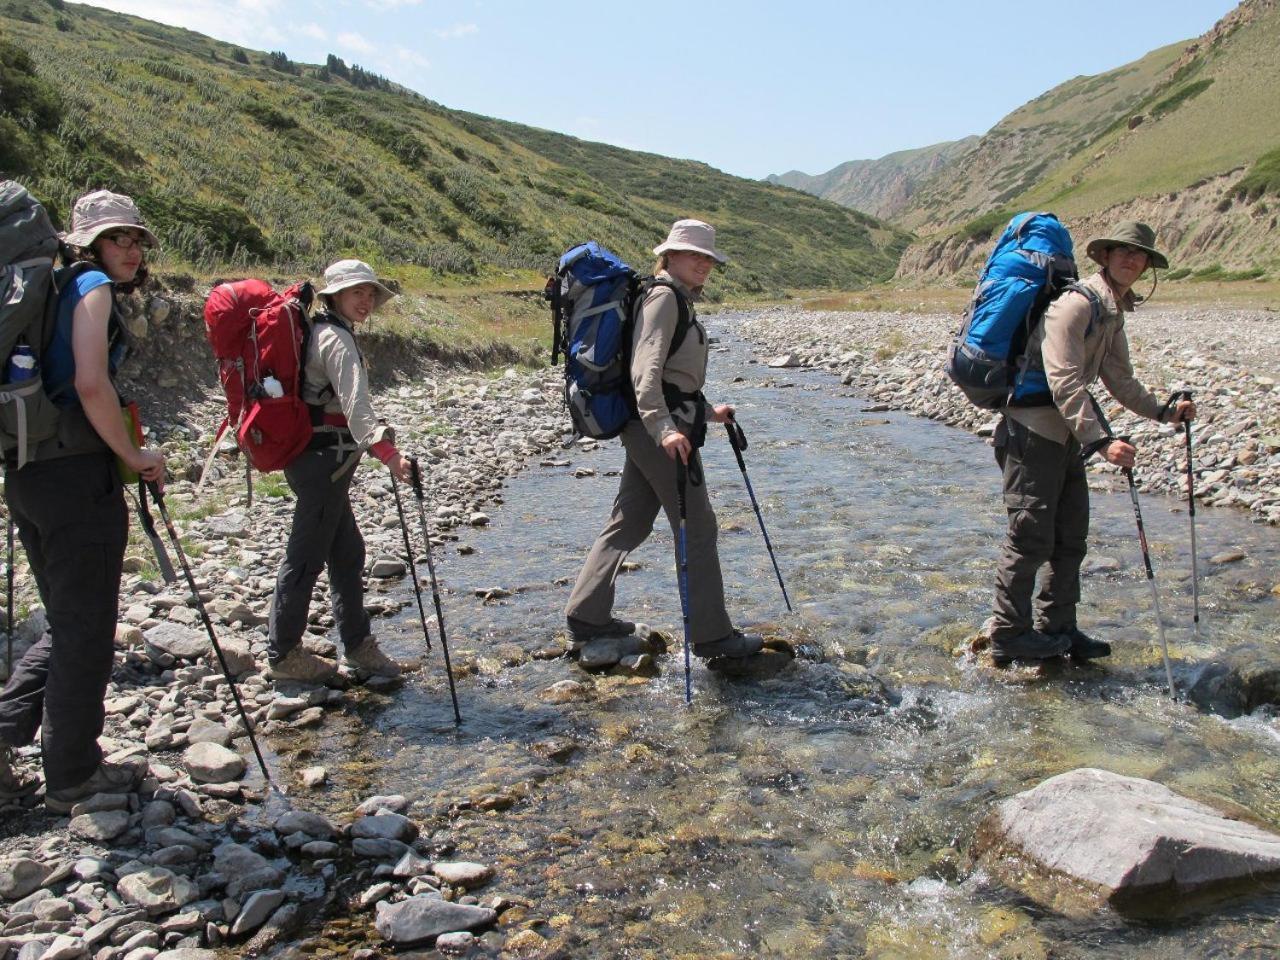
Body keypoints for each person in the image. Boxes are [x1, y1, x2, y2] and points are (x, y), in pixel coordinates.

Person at [0, 189, 166, 810]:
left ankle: (6, 735)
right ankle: (73, 773)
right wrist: (133, 455)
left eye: (134, 238)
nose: (128, 248)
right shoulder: (89, 285)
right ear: (86, 242)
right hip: (76, 476)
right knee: (88, 629)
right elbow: (92, 383)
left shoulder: (44, 289)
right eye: (115, 237)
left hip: (27, 472)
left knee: (69, 618)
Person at [988, 221, 1196, 664]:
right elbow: (1064, 380)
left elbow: (1119, 379)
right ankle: (1008, 634)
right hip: (1031, 432)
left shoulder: (1111, 311)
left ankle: (1058, 628)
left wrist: (1164, 412)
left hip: (1065, 434)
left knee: (1070, 538)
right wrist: (1102, 441)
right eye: (1122, 251)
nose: (1130, 260)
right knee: (1029, 538)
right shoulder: (1074, 305)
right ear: (1104, 255)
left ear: (1146, 268)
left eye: (1138, 256)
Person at [564, 219, 763, 664]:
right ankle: (713, 637)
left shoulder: (676, 300)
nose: (703, 264)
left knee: (630, 521)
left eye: (708, 258)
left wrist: (709, 413)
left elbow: (676, 377)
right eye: (695, 255)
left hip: (662, 426)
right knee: (697, 525)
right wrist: (664, 429)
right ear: (670, 255)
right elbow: (644, 373)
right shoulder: (663, 299)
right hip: (658, 432)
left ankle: (586, 615)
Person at [266, 259, 412, 684]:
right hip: (322, 464)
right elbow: (356, 408)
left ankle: (357, 645)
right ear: (335, 297)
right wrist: (390, 455)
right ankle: (284, 654)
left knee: (347, 552)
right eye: (356, 293)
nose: (365, 300)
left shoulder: (326, 332)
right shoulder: (338, 340)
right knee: (306, 556)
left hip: (321, 459)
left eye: (369, 293)